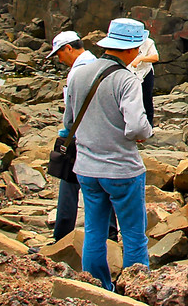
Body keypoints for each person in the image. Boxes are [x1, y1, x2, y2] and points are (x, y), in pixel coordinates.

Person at [64, 18, 153, 292]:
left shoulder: (78, 74)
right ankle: (137, 291)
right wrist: (142, 134)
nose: (139, 52)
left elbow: (68, 123)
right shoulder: (126, 79)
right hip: (121, 170)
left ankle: (96, 289)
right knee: (134, 236)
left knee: (94, 232)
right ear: (128, 50)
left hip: (87, 169)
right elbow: (138, 125)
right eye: (137, 48)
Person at [46, 30, 117, 242]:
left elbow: (71, 112)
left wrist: (66, 134)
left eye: (59, 54)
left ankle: (62, 236)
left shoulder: (78, 72)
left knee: (68, 183)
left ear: (69, 48)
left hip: (81, 136)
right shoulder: (99, 65)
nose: (59, 59)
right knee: (100, 185)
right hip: (101, 133)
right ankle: (110, 233)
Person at [128, 31, 159, 125]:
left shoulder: (148, 42)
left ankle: (148, 125)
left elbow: (155, 57)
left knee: (147, 99)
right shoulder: (126, 43)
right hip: (129, 72)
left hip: (145, 72)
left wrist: (140, 58)